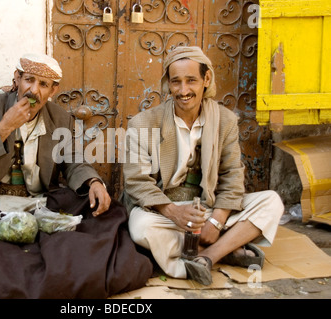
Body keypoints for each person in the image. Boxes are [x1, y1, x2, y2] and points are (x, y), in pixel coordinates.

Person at [0, 52, 153, 298]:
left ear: (52, 90)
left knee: (108, 211)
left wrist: (93, 181)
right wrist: (4, 127)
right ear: (17, 79)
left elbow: (73, 162)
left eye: (43, 84)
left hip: (40, 202)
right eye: (29, 80)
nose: (33, 90)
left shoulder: (60, 119)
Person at [121, 46, 284, 286]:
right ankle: (228, 247)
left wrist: (216, 221)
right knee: (140, 228)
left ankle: (208, 255)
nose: (183, 90)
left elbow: (232, 176)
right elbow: (136, 181)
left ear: (206, 80)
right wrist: (174, 213)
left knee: (271, 202)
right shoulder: (143, 123)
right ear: (168, 84)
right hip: (164, 210)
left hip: (207, 208)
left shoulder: (224, 120)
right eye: (176, 82)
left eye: (191, 81)